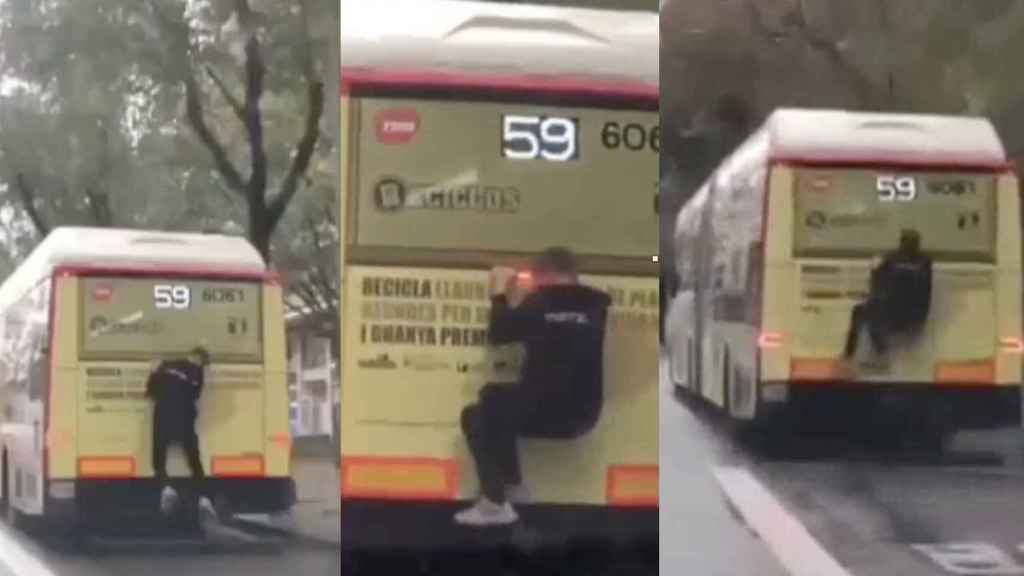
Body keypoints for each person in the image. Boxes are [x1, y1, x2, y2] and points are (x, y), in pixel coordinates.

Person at [454, 247, 612, 527]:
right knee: (495, 408)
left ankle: (495, 500)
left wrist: (500, 293)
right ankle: (512, 489)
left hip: (544, 409)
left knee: (485, 404)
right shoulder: (596, 306)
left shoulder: (542, 301)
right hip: (585, 414)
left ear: (543, 275)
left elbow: (499, 333)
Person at [145, 346, 217, 521]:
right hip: (184, 420)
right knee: (194, 461)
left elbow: (150, 392)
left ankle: (166, 488)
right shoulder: (197, 373)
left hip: (163, 418)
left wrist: (154, 374)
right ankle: (204, 499)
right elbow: (195, 395)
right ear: (199, 359)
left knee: (158, 459)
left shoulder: (164, 365)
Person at [844, 229, 932, 359]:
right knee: (864, 311)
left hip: (906, 313)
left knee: (869, 312)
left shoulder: (919, 261)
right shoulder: (897, 258)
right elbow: (877, 278)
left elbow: (923, 290)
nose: (908, 245)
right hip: (894, 308)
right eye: (906, 242)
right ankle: (856, 353)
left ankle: (876, 353)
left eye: (911, 242)